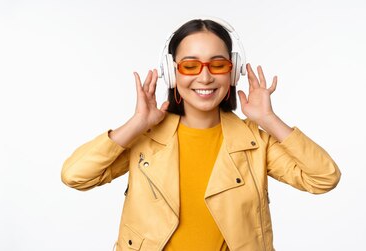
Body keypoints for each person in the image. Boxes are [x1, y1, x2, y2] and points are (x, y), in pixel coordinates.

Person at [60, 18, 341, 251]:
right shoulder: (144, 139)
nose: (205, 77)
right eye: (190, 66)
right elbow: (75, 175)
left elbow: (323, 178)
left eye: (217, 65)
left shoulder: (254, 142)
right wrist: (136, 123)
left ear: (232, 73)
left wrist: (269, 119)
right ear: (172, 73)